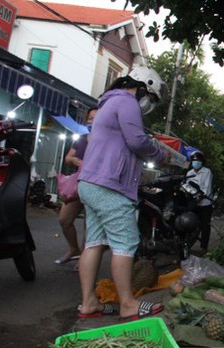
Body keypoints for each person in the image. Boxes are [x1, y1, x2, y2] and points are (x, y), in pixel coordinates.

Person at [76, 66, 170, 321]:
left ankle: (88, 303)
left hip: (90, 183)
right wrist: (161, 156)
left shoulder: (108, 103)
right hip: (109, 185)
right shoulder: (126, 101)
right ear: (141, 87)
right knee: (125, 243)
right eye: (150, 98)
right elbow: (137, 141)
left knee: (94, 243)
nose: (148, 104)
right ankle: (128, 304)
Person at [54, 107, 97, 269]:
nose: (92, 121)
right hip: (77, 185)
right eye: (90, 118)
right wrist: (78, 161)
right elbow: (68, 158)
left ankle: (85, 258)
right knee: (64, 219)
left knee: (90, 223)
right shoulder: (81, 139)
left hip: (95, 186)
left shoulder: (105, 140)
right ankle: (74, 249)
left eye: (96, 118)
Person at [185, 151, 214, 251]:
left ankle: (203, 247)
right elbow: (186, 186)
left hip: (205, 203)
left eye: (197, 161)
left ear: (202, 162)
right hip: (193, 203)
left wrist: (199, 195)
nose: (195, 162)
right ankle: (187, 244)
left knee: (205, 225)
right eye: (194, 161)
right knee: (189, 223)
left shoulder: (207, 172)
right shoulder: (189, 173)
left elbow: (206, 190)